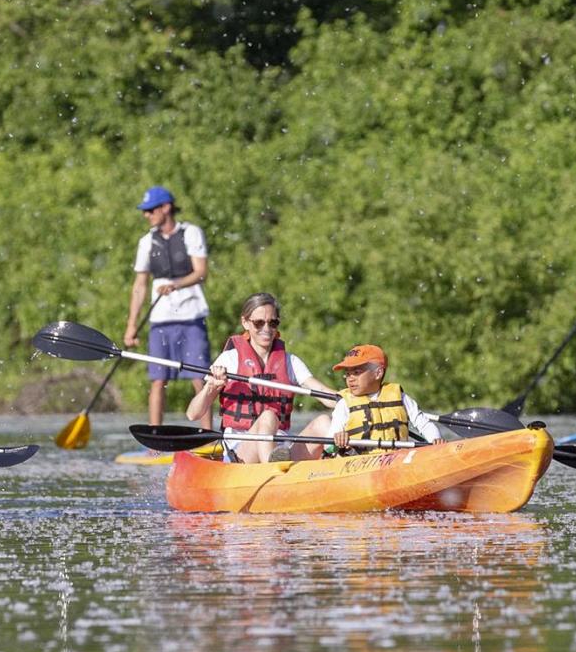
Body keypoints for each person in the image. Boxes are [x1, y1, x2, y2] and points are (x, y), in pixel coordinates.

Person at [186, 292, 336, 463]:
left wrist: (349, 399)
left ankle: (344, 466)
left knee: (324, 421)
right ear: (245, 323)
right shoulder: (229, 360)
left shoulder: (290, 362)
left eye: (272, 323)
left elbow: (324, 393)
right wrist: (210, 387)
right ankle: (272, 474)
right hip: (241, 453)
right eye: (259, 323)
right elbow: (193, 414)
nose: (266, 329)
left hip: (281, 450)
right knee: (268, 417)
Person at [125, 185, 209, 426]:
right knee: (157, 380)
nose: (146, 215)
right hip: (160, 320)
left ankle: (208, 438)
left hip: (191, 316)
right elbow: (140, 285)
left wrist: (176, 284)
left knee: (199, 378)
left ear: (166, 207)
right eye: (145, 211)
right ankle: (154, 441)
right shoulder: (146, 242)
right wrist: (132, 325)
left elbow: (201, 272)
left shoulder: (191, 233)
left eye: (151, 210)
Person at [327, 344, 442, 451]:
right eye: (347, 374)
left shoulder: (400, 396)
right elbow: (328, 445)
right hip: (359, 462)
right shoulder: (344, 403)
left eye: (356, 372)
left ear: (378, 373)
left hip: (397, 457)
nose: (350, 379)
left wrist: (435, 440)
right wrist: (337, 439)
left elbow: (424, 424)